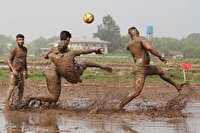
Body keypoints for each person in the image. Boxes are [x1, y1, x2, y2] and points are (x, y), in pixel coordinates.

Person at [24, 31, 112, 106]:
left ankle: (43, 104)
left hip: (49, 71)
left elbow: (45, 56)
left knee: (52, 95)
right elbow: (84, 51)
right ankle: (31, 96)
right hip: (53, 73)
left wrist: (53, 58)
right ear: (68, 39)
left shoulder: (54, 49)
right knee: (54, 97)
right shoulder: (70, 52)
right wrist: (95, 50)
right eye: (68, 40)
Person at [115, 27, 188, 110]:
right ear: (138, 32)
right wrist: (160, 56)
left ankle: (177, 85)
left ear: (130, 35)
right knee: (136, 91)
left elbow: (130, 48)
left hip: (144, 67)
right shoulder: (140, 39)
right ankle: (119, 106)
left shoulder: (130, 44)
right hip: (141, 68)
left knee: (160, 71)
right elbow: (149, 48)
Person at [4, 34, 28, 110]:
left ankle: (18, 104)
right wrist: (13, 70)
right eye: (20, 40)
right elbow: (8, 60)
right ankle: (6, 106)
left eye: (22, 39)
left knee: (21, 89)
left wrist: (26, 71)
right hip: (13, 73)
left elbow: (25, 60)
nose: (21, 41)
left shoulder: (25, 49)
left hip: (21, 73)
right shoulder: (14, 49)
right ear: (17, 40)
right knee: (11, 88)